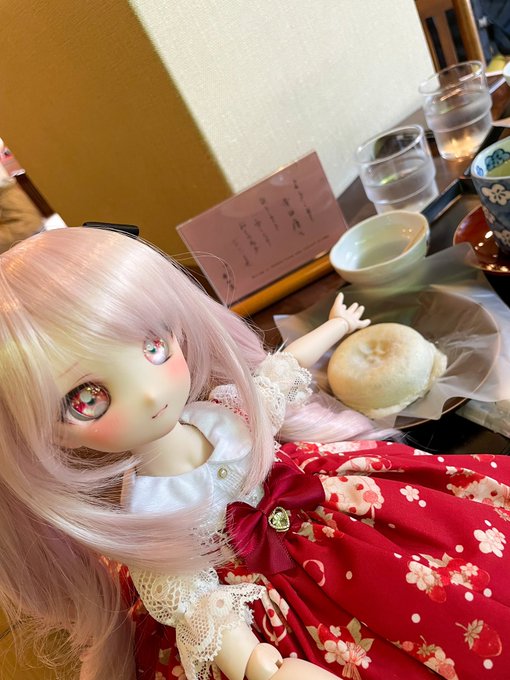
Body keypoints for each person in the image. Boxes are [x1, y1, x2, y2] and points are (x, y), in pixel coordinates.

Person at [0, 227, 509, 680]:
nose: (150, 394)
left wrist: (336, 326)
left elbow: (279, 371)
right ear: (51, 435)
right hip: (272, 609)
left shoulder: (223, 414)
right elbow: (197, 604)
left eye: (153, 347)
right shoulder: (148, 515)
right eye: (87, 399)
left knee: (454, 579)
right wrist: (260, 665)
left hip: (338, 516)